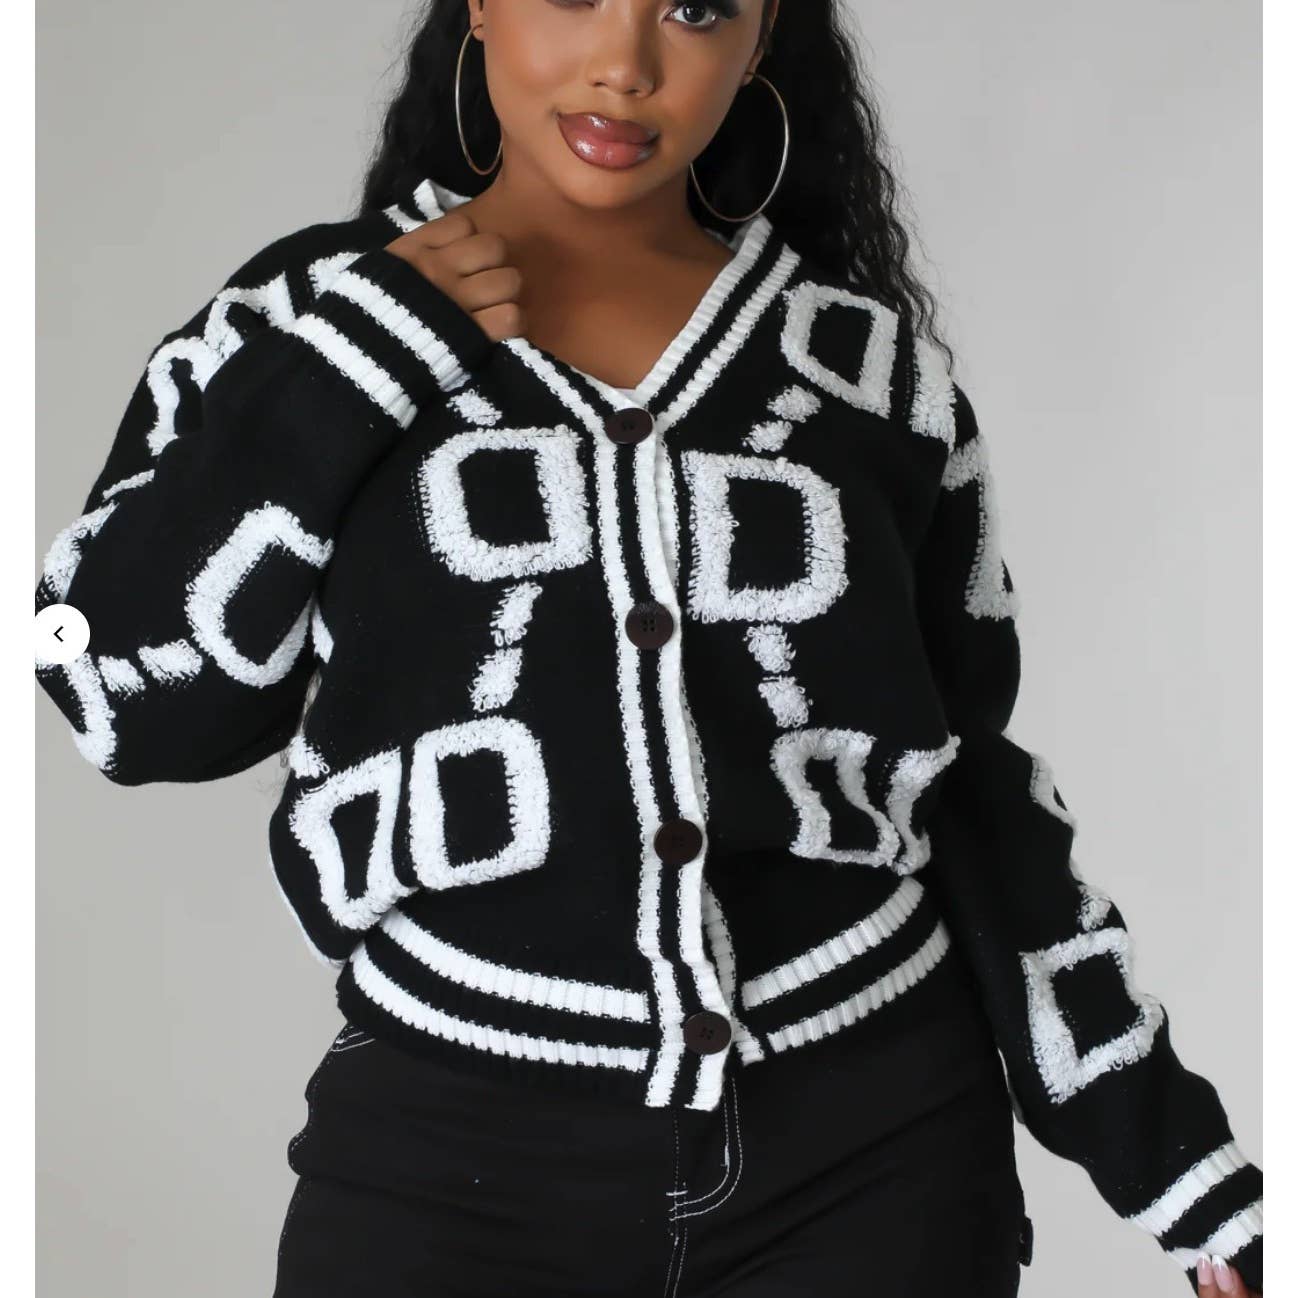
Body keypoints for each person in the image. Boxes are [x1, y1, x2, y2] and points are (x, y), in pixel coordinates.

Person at [34, 2, 1262, 1295]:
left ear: (760, 34)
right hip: (446, 1158)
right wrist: (353, 364)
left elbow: (970, 791)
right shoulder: (299, 319)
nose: (624, 65)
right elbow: (119, 698)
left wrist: (1179, 1168)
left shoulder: (870, 377)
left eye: (695, 9)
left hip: (874, 1158)